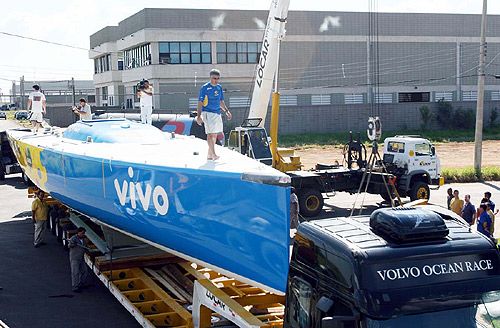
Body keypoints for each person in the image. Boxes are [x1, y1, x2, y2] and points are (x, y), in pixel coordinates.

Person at [196, 69, 232, 160]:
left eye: (218, 78)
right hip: (207, 112)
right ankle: (213, 154)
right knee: (210, 134)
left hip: (217, 113)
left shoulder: (219, 87)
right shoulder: (205, 88)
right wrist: (199, 116)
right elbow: (200, 102)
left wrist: (226, 111)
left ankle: (209, 154)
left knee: (215, 134)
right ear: (210, 77)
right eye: (214, 78)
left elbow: (221, 101)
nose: (216, 80)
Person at [69, 227, 90, 292]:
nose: (83, 234)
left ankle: (81, 284)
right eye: (82, 233)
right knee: (75, 273)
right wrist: (73, 244)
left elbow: (86, 248)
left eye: (84, 233)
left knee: (84, 271)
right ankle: (75, 287)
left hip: (81, 258)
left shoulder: (84, 240)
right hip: (75, 258)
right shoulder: (73, 238)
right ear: (78, 232)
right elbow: (69, 245)